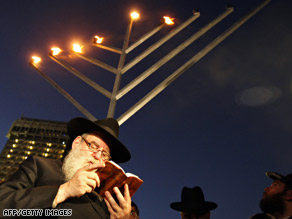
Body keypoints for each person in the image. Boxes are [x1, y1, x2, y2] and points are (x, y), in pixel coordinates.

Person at [0, 117, 132, 218]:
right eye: (93, 146)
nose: (97, 156)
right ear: (76, 143)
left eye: (104, 154)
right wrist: (63, 191)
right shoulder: (40, 166)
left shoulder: (102, 199)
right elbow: (4, 207)